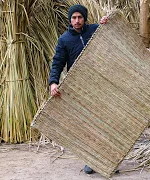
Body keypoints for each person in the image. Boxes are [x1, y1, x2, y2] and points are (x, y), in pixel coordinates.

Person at [48, 4, 108, 174]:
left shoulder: (95, 30)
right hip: (80, 88)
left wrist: (106, 22)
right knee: (87, 124)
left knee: (104, 122)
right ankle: (91, 159)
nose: (76, 21)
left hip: (100, 83)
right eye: (73, 18)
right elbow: (57, 63)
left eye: (79, 17)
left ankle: (108, 158)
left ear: (84, 18)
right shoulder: (64, 39)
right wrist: (53, 82)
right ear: (70, 19)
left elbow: (111, 33)